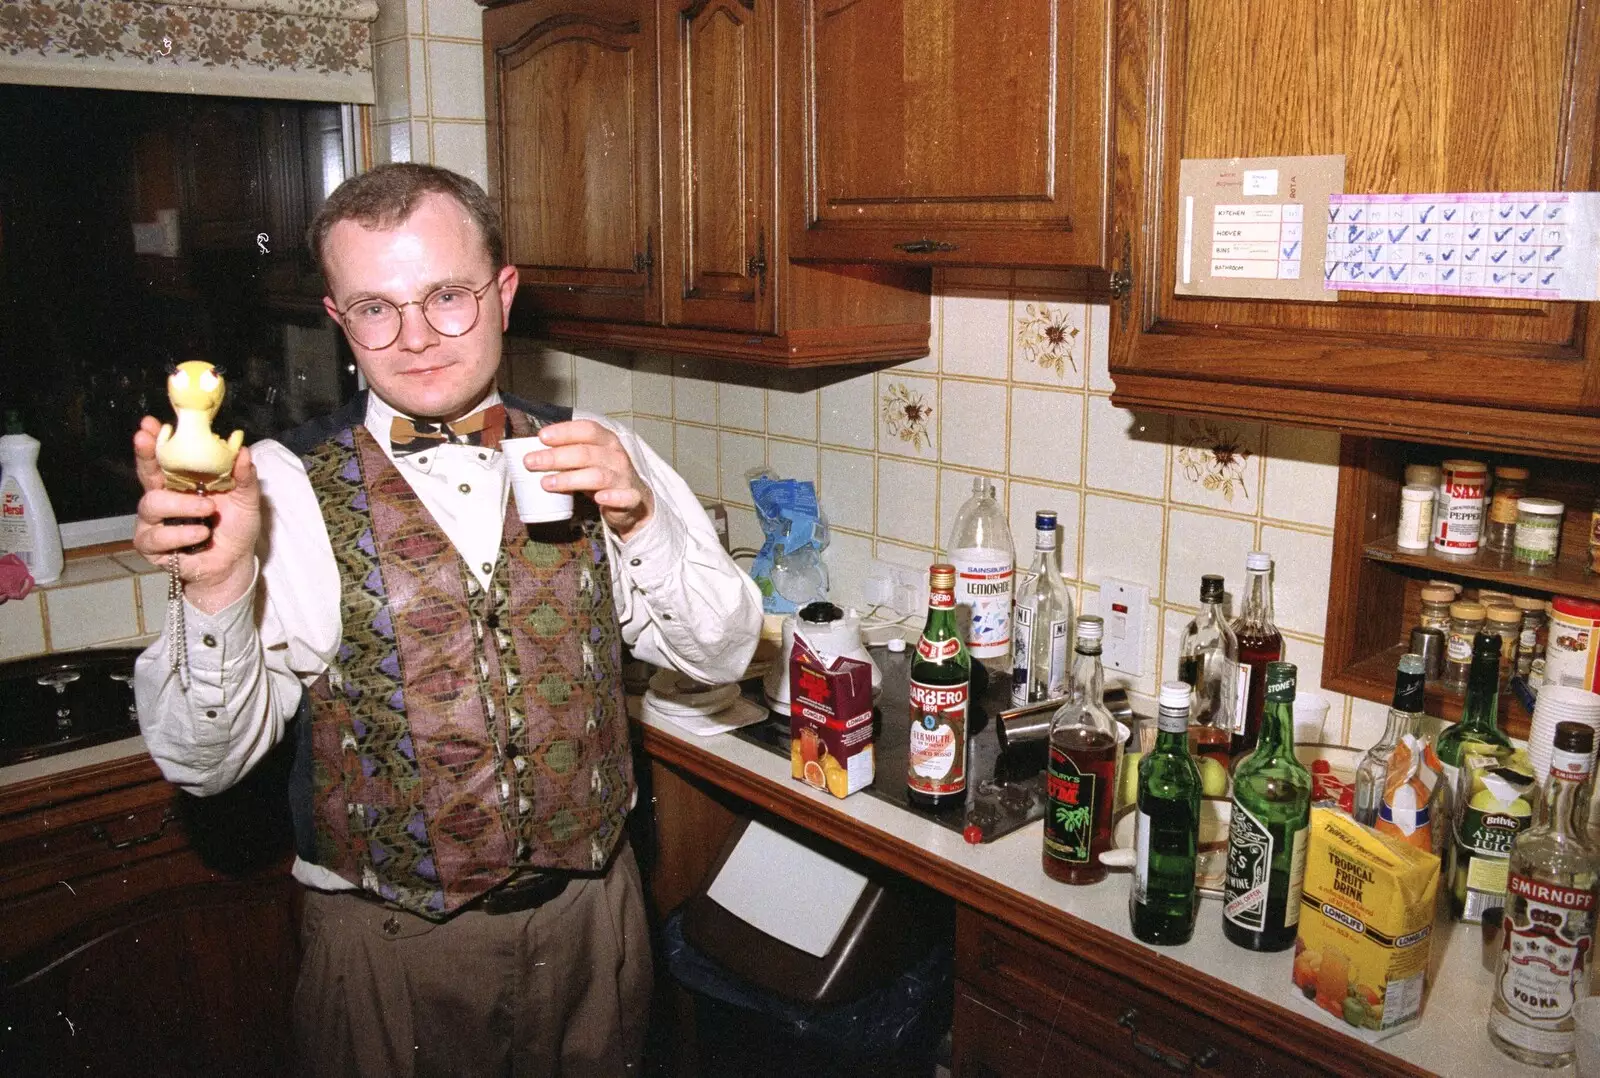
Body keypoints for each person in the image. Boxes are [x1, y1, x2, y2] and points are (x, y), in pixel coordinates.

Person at [131, 163, 762, 1077]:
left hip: (596, 927)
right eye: (377, 308)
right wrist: (217, 588)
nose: (417, 338)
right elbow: (204, 765)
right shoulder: (273, 485)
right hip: (389, 953)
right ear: (339, 320)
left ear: (503, 294)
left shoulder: (594, 452)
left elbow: (724, 653)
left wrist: (641, 518)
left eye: (448, 297)